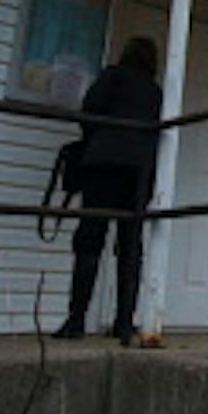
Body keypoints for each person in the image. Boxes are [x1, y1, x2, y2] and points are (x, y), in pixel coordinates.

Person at [56, 36, 163, 344]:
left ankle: (76, 320)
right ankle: (124, 323)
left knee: (90, 238)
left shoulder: (112, 76)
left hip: (104, 165)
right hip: (140, 171)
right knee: (130, 246)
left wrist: (97, 142)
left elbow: (89, 111)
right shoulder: (154, 91)